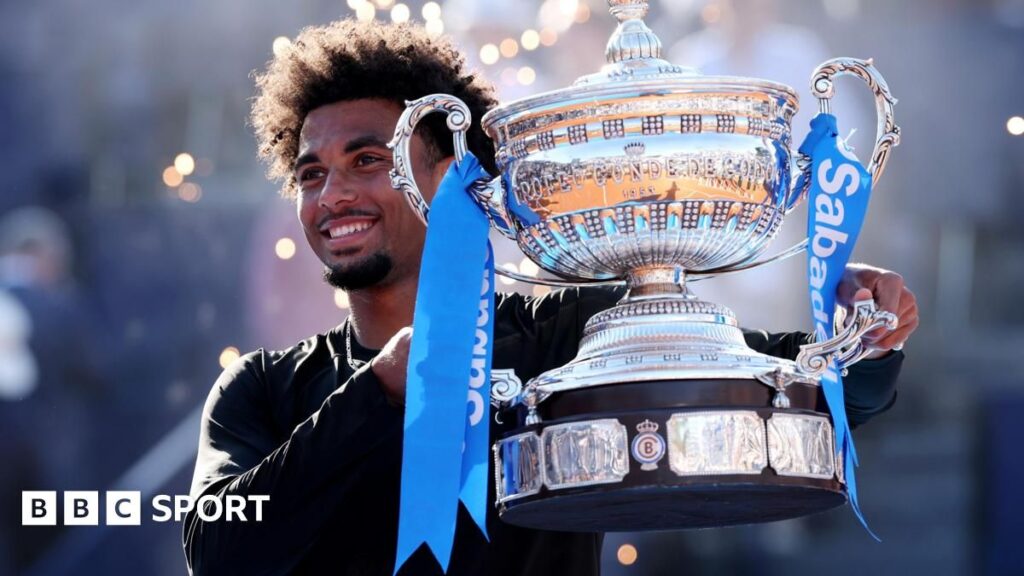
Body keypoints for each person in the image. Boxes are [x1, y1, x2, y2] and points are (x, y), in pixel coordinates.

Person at [183, 19, 919, 576]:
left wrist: (872, 333)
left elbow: (823, 392)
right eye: (311, 176)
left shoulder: (563, 333)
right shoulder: (259, 389)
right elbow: (216, 551)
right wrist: (377, 391)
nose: (333, 193)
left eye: (368, 161)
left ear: (446, 182)